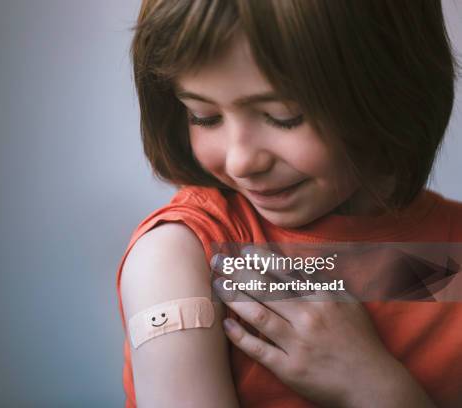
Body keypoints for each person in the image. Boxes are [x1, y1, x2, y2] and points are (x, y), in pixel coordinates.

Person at [115, 0, 462, 406]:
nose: (241, 161)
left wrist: (376, 387)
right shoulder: (179, 252)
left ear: (392, 89)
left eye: (283, 116)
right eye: (204, 116)